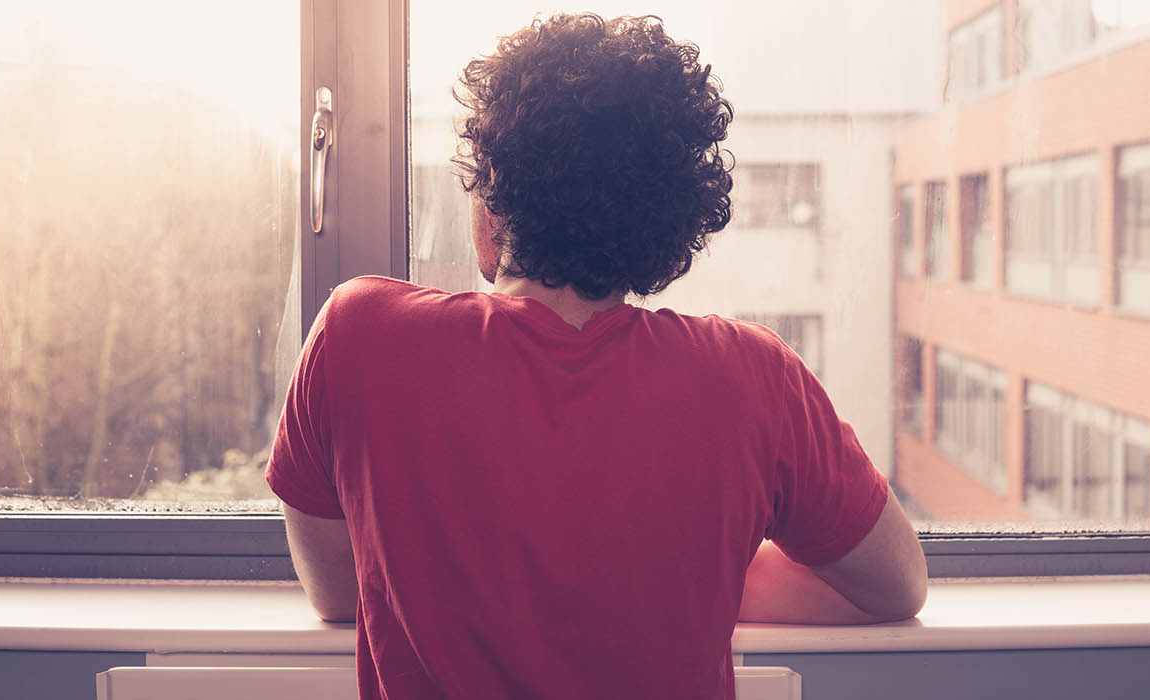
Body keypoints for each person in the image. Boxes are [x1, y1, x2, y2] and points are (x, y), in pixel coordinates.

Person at [266, 12, 927, 699]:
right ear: (670, 216)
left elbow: (341, 593)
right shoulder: (752, 377)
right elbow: (896, 584)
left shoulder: (359, 337)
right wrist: (699, 570)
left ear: (493, 190)